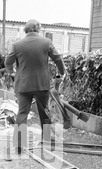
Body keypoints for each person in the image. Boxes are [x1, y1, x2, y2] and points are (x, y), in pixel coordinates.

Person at [5, 19, 66, 154]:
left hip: (23, 86)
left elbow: (7, 62)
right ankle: (46, 140)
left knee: (22, 113)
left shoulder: (17, 45)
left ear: (26, 30)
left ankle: (19, 145)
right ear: (38, 29)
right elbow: (58, 59)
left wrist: (12, 73)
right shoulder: (46, 43)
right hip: (41, 85)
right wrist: (62, 73)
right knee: (44, 112)